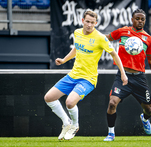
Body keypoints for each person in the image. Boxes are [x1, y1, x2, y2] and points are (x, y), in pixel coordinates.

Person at [44, 10, 128, 140]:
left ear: (96, 23)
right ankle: (66, 122)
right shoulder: (77, 32)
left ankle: (75, 125)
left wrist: (123, 73)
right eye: (87, 21)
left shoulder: (100, 38)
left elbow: (114, 54)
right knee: (48, 97)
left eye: (92, 23)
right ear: (83, 21)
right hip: (73, 75)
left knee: (70, 102)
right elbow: (76, 48)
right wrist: (64, 60)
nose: (89, 25)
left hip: (88, 79)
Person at [103, 9, 151, 141]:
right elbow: (105, 39)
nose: (140, 21)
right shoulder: (123, 31)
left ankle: (144, 119)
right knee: (112, 103)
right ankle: (111, 133)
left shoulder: (148, 39)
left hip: (139, 78)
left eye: (143, 19)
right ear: (132, 19)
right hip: (123, 76)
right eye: (137, 18)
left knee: (149, 110)